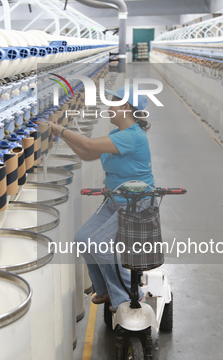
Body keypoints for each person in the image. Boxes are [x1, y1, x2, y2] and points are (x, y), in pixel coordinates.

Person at [48, 83, 155, 311]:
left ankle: (130, 293)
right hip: (115, 201)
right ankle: (105, 289)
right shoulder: (117, 134)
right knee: (83, 238)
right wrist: (61, 135)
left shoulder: (132, 136)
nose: (108, 107)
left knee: (99, 243)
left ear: (125, 106)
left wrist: (61, 130)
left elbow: (87, 143)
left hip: (135, 203)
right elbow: (87, 154)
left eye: (112, 102)